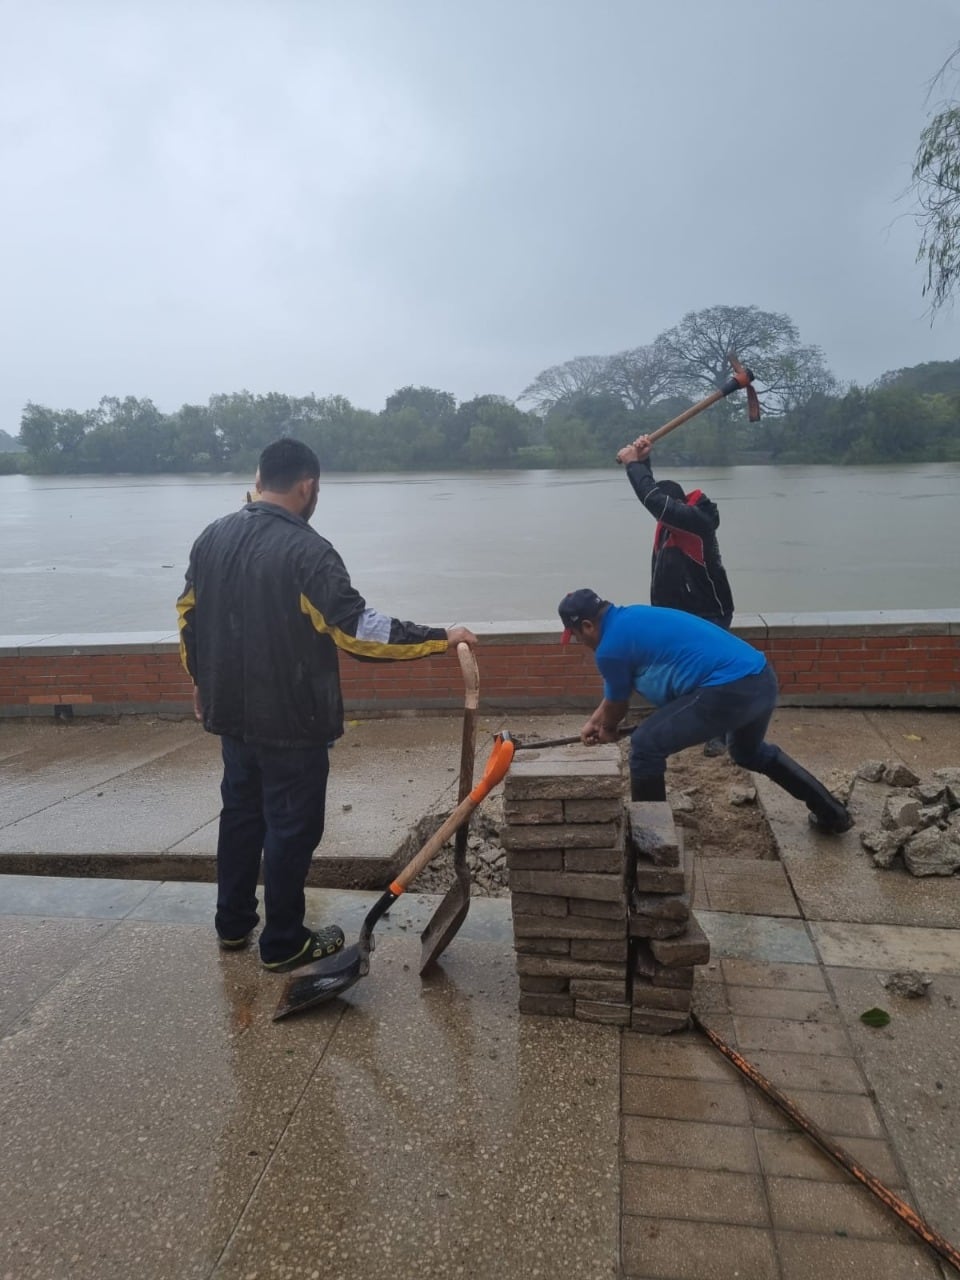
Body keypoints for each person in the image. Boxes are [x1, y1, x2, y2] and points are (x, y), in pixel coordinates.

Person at [177, 438, 478, 972]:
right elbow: (358, 631)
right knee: (291, 829)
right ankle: (284, 942)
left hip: (232, 717)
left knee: (241, 818)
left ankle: (232, 925)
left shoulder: (211, 538)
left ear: (259, 476)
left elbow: (187, 616)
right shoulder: (306, 551)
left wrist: (199, 680)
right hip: (292, 721)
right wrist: (438, 636)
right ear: (308, 486)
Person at [558, 588, 852, 834]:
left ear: (587, 625)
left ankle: (652, 841)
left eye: (575, 635)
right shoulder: (630, 619)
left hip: (727, 688)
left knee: (645, 746)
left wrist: (607, 729)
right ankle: (833, 815)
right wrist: (595, 722)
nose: (578, 643)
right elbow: (614, 696)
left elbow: (618, 706)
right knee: (748, 753)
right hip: (759, 678)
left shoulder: (609, 647)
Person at [616, 433, 733, 757]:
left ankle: (719, 735)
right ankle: (690, 723)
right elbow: (655, 498)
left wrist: (632, 465)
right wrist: (644, 461)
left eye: (665, 511)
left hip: (708, 612)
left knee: (714, 675)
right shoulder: (670, 521)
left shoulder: (696, 523)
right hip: (678, 614)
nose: (660, 516)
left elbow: (654, 498)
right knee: (679, 673)